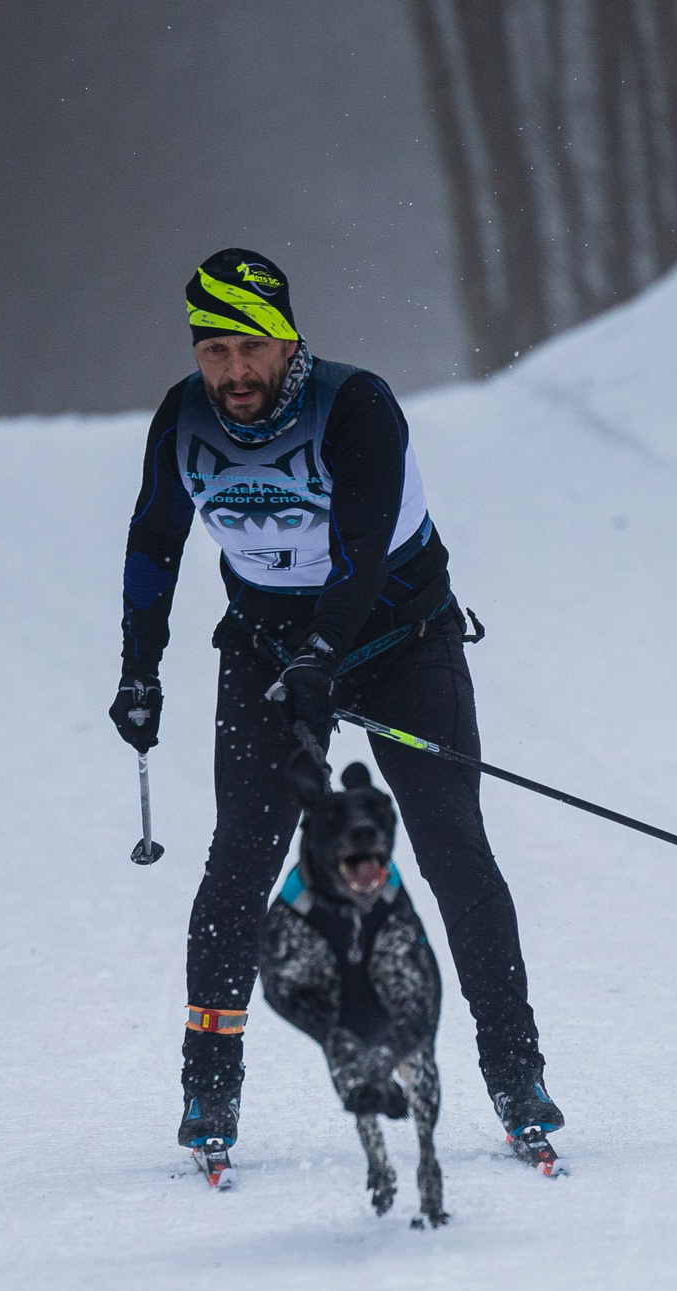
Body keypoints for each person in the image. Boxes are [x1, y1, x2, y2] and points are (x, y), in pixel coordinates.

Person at [109, 247, 564, 1181]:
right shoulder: (183, 417)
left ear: (287, 339)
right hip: (272, 650)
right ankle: (210, 1083)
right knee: (241, 855)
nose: (232, 373)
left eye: (250, 349)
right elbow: (155, 539)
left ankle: (517, 1075)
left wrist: (328, 656)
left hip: (399, 637)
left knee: (451, 848)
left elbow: (359, 550)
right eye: (212, 352)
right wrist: (139, 668)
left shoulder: (357, 405)